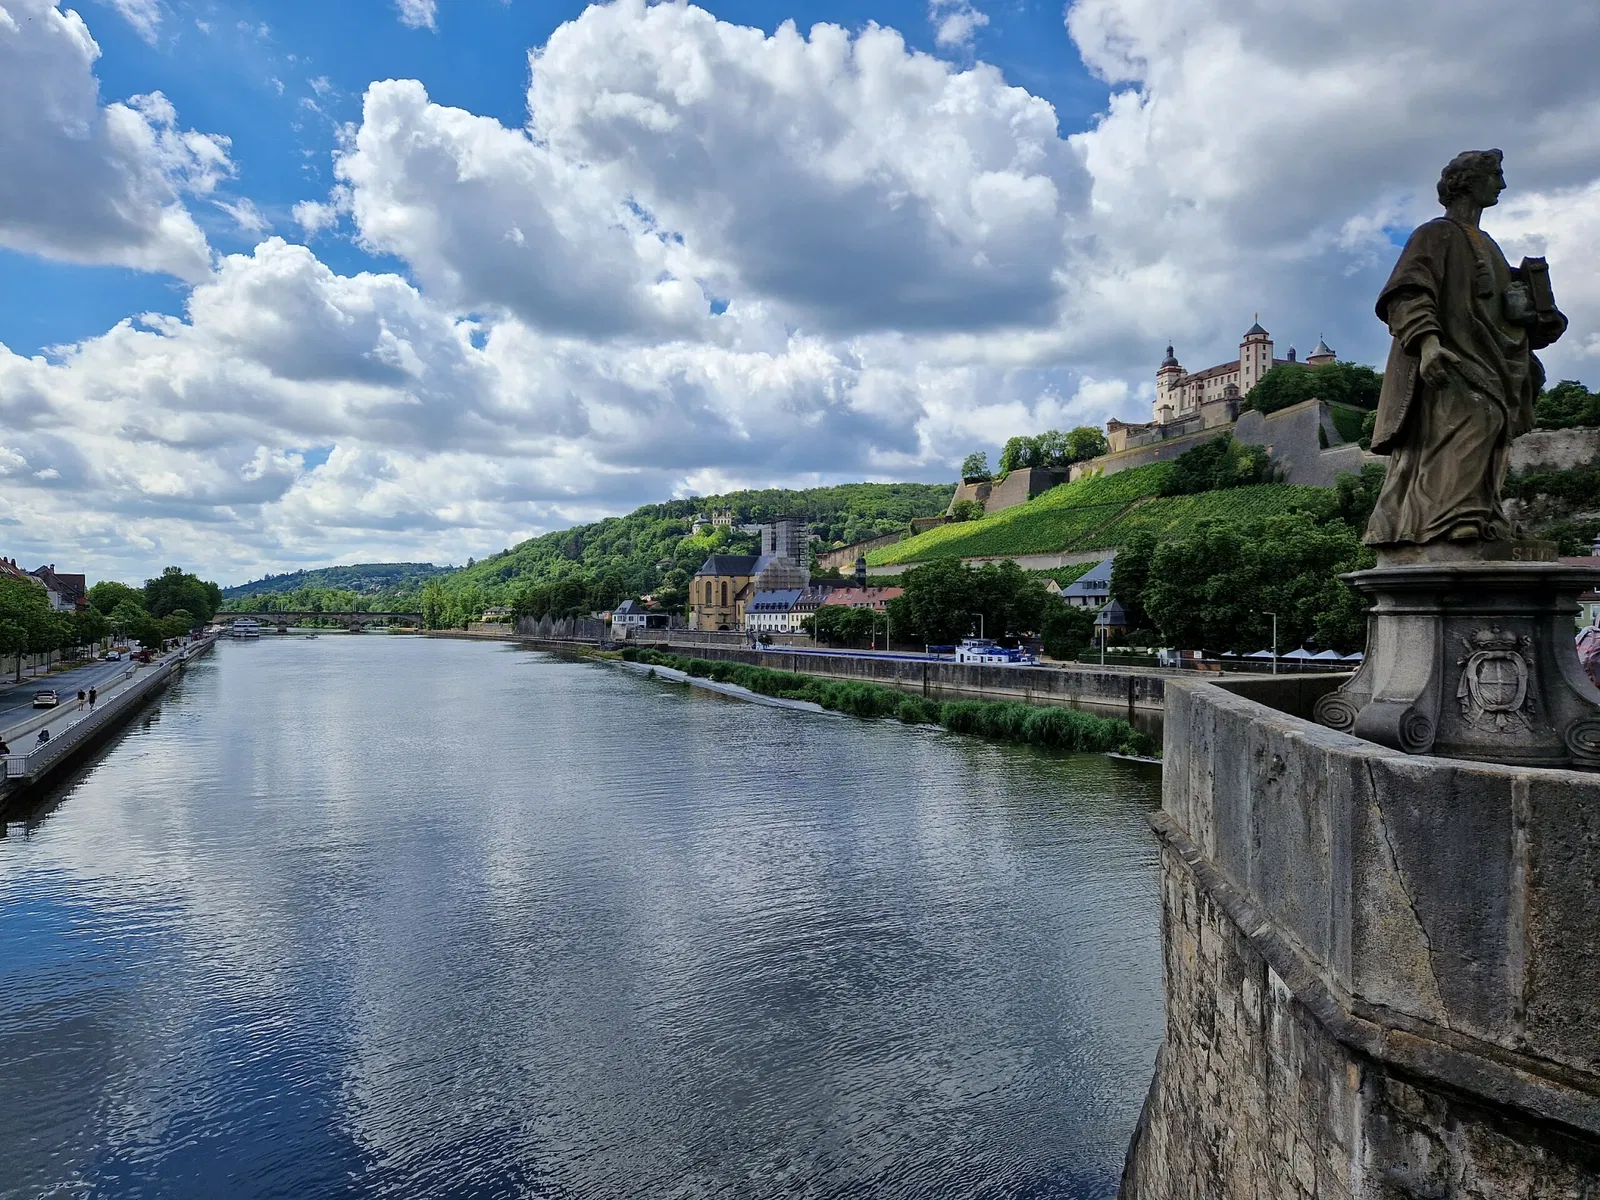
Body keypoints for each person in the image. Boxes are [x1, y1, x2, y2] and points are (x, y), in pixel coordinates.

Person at [1365, 150, 1567, 549]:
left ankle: (1479, 514)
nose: (1503, 185)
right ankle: (1451, 520)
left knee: (1491, 430)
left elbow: (1500, 310)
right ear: (1469, 182)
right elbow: (1408, 293)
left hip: (1490, 356)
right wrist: (1427, 344)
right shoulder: (1433, 234)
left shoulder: (1488, 245)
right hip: (1451, 357)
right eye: (1496, 175)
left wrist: (1527, 309)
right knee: (1478, 418)